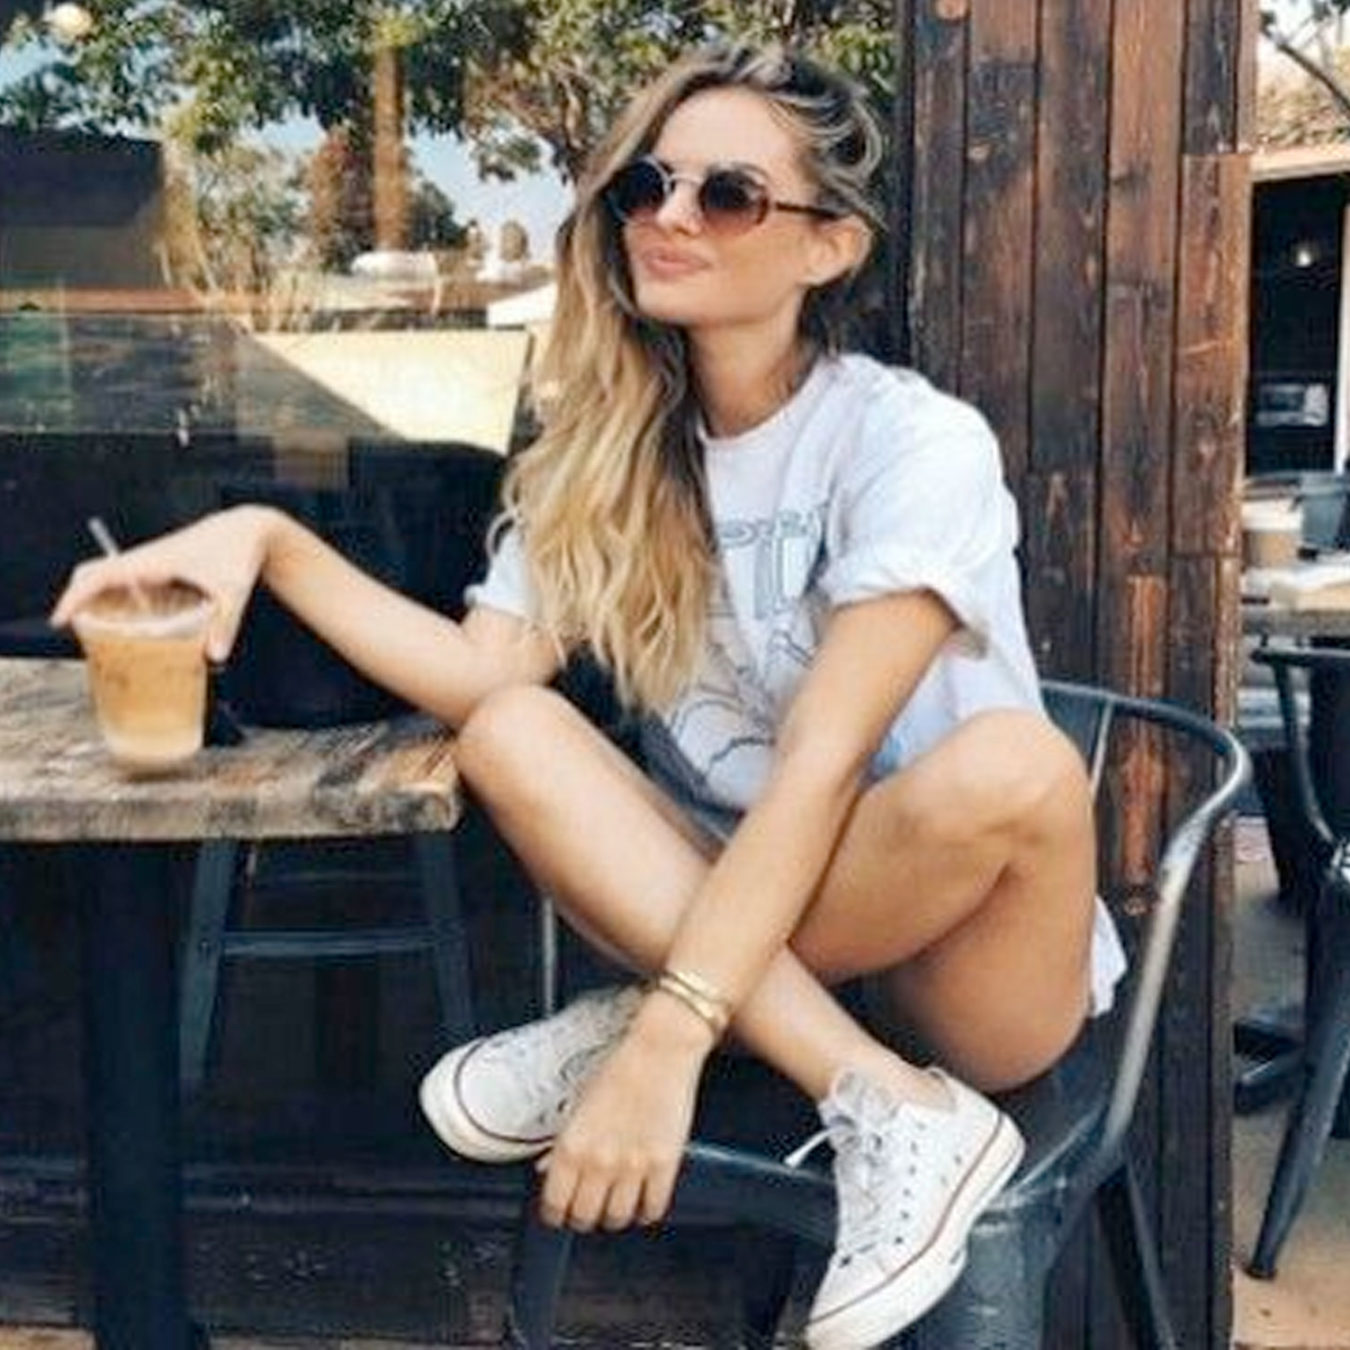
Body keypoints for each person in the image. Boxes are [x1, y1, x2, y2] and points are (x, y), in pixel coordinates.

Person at [53, 41, 1125, 1350]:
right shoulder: (609, 455)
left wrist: (667, 1034)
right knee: (508, 729)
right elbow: (479, 676)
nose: (669, 216)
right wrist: (267, 541)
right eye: (645, 186)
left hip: (966, 964)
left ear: (827, 247)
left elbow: (820, 764)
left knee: (1013, 763)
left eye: (727, 194)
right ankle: (883, 1099)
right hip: (763, 934)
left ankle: (692, 1021)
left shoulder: (908, 441)